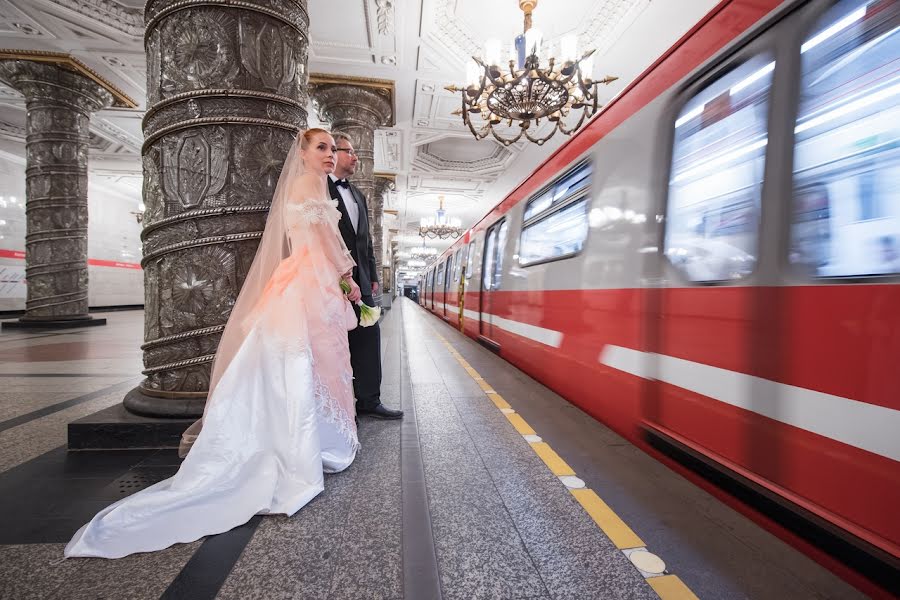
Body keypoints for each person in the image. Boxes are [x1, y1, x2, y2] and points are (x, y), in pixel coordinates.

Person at [65, 129, 364, 558]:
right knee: (310, 361)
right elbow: (319, 243)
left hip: (302, 283)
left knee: (306, 363)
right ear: (302, 153)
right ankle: (310, 446)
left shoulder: (311, 185)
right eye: (322, 148)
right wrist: (346, 279)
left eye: (333, 149)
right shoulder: (305, 185)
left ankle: (312, 438)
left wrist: (339, 276)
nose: (330, 155)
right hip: (309, 283)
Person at [327, 132, 403, 420]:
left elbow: (366, 241)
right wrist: (342, 277)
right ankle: (341, 406)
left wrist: (372, 276)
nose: (356, 157)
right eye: (350, 151)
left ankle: (370, 400)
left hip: (363, 282)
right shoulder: (318, 190)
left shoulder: (358, 194)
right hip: (331, 279)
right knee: (336, 343)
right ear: (334, 154)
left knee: (369, 338)